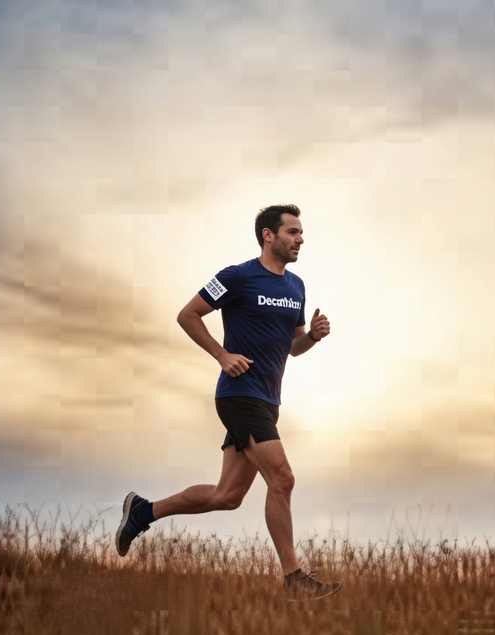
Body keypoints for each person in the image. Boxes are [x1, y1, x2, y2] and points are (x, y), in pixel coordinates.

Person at [117, 204, 341, 601]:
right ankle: (294, 581)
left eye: (301, 233)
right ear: (268, 236)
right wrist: (222, 355)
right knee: (283, 479)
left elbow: (293, 347)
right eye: (292, 232)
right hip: (239, 396)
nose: (300, 239)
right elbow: (188, 315)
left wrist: (314, 338)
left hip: (268, 401)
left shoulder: (297, 287)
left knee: (228, 496)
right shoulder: (235, 277)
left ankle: (143, 511)